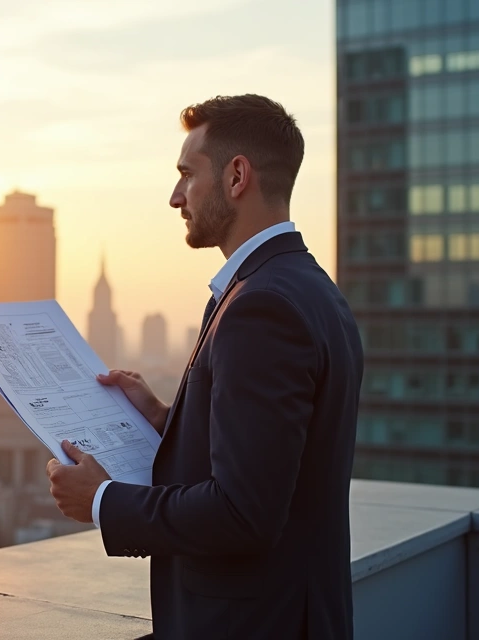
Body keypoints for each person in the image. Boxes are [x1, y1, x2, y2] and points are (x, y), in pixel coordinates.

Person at [46, 94, 363, 640]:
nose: (175, 197)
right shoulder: (307, 288)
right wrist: (165, 418)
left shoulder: (262, 307)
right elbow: (273, 460)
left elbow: (244, 512)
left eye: (187, 173)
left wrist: (102, 500)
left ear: (237, 176)